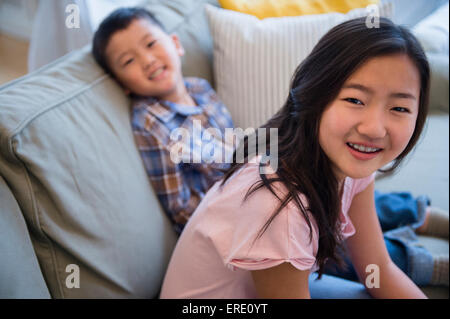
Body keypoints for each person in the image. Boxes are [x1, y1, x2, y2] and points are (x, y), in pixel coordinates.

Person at [160, 17, 436, 299]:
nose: (374, 129)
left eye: (400, 108)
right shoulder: (279, 204)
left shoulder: (353, 160)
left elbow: (376, 270)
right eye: (355, 100)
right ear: (315, 93)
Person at [92, 8, 234, 235]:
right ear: (123, 84)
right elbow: (181, 209)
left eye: (150, 44)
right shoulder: (149, 123)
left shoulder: (200, 88)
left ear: (176, 44)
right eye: (128, 61)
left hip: (247, 184)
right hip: (219, 221)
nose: (147, 60)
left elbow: (233, 143)